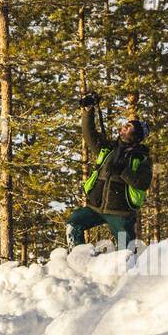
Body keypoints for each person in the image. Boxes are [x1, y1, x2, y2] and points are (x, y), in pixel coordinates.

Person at [66, 93, 153, 250]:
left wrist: (123, 171)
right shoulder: (108, 148)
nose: (124, 126)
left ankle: (128, 273)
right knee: (74, 223)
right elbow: (89, 134)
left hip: (120, 213)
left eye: (130, 126)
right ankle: (79, 258)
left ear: (136, 135)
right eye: (126, 124)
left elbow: (143, 183)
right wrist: (88, 110)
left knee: (126, 251)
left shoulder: (141, 158)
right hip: (95, 207)